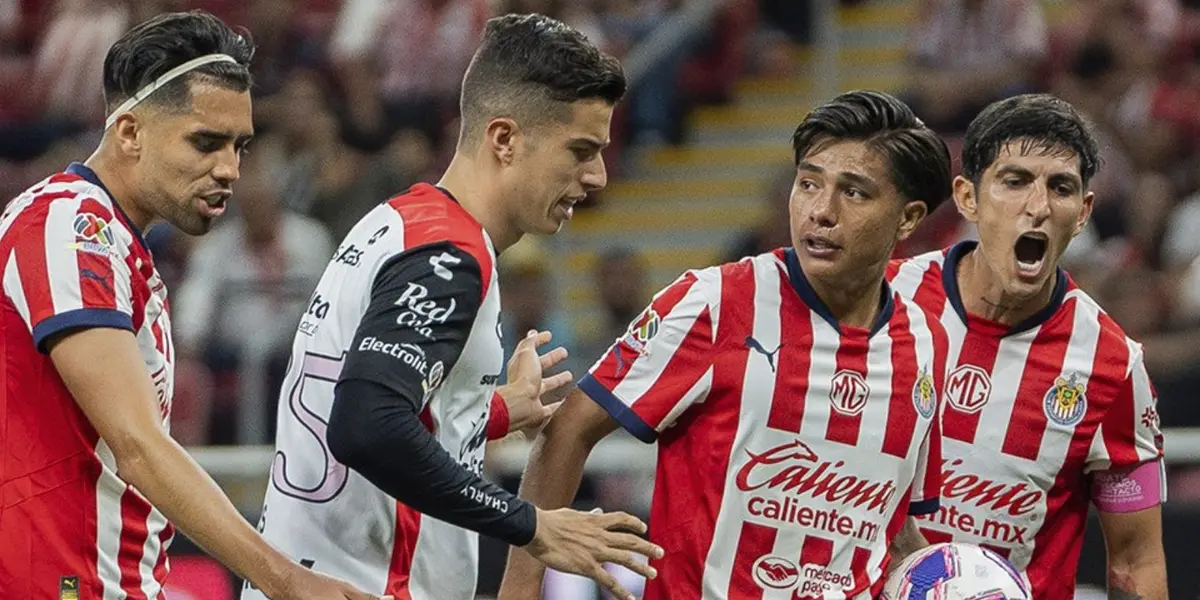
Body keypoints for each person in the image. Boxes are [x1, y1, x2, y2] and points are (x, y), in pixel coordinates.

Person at [244, 13, 661, 600]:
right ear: (504, 139)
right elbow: (367, 426)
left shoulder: (399, 223)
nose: (596, 176)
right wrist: (530, 523)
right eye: (580, 150)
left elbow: (372, 402)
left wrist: (487, 413)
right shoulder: (450, 258)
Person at [498, 90, 954, 600]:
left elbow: (890, 522)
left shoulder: (926, 341)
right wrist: (519, 589)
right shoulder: (714, 302)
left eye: (855, 192)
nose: (821, 211)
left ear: (908, 218)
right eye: (808, 183)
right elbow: (568, 430)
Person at [0, 11, 383, 600]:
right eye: (205, 142)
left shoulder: (117, 244)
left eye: (240, 146)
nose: (229, 169)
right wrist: (285, 579)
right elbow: (138, 446)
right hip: (61, 584)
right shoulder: (67, 229)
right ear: (130, 132)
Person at [886, 94, 1167, 600]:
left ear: (1082, 213)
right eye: (1015, 181)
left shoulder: (1113, 365)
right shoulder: (883, 302)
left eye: (1060, 187)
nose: (1038, 206)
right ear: (968, 197)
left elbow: (1136, 559)